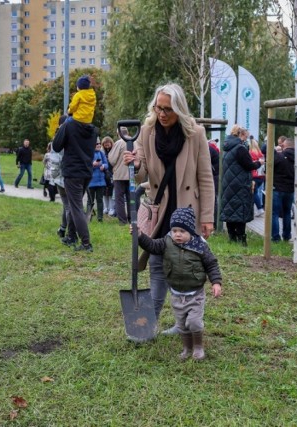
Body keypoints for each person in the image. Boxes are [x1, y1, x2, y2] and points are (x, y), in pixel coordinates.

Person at [123, 83, 215, 334]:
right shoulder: (147, 131)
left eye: (168, 110)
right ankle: (148, 322)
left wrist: (207, 217)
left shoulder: (194, 133)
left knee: (185, 270)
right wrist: (134, 162)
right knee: (156, 264)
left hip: (186, 211)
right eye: (158, 108)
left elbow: (206, 177)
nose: (162, 114)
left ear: (179, 109)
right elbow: (140, 171)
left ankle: (183, 322)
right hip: (160, 209)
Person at [137, 207, 222, 360]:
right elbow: (152, 246)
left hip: (195, 294)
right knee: (182, 324)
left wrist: (216, 282)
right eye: (174, 230)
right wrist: (140, 236)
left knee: (194, 323)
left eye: (182, 231)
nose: (177, 234)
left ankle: (198, 347)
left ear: (190, 231)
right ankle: (186, 348)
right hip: (176, 294)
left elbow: (211, 264)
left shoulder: (199, 246)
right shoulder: (167, 242)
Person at [52, 108, 98, 252]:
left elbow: (56, 145)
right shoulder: (94, 129)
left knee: (76, 207)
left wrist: (62, 127)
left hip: (72, 171)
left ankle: (86, 243)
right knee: (74, 205)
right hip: (86, 171)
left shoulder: (68, 125)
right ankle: (71, 236)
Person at [219, 125, 260, 245]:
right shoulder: (240, 148)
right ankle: (241, 239)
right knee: (240, 211)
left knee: (230, 211)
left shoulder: (226, 147)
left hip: (228, 184)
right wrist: (259, 163)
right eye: (245, 137)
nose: (246, 139)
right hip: (240, 184)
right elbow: (249, 165)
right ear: (241, 135)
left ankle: (232, 238)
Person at [271, 137, 295, 242]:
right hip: (290, 189)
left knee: (275, 213)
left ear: (285, 146)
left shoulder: (279, 156)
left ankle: (276, 237)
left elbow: (270, 168)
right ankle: (287, 235)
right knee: (287, 212)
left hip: (278, 188)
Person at [109, 127, 131, 225]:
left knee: (119, 198)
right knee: (132, 198)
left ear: (119, 134)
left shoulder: (119, 143)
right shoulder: (135, 141)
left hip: (120, 175)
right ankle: (132, 218)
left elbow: (112, 159)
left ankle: (122, 220)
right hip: (132, 174)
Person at [87, 139, 109, 222]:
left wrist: (103, 166)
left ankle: (100, 218)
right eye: (97, 144)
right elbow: (85, 165)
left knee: (100, 200)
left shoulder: (101, 153)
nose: (99, 145)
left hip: (101, 182)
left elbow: (106, 164)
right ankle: (88, 217)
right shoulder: (88, 153)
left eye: (100, 144)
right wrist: (92, 164)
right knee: (90, 201)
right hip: (90, 182)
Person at [248, 135, 265, 217]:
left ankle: (259, 208)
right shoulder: (260, 154)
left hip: (254, 175)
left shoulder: (250, 153)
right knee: (255, 192)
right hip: (261, 176)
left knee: (253, 193)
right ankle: (258, 208)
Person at [101, 136, 115, 216]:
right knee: (104, 192)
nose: (106, 146)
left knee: (111, 192)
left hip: (112, 174)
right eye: (105, 144)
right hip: (104, 174)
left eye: (108, 144)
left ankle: (111, 208)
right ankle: (105, 208)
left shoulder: (113, 151)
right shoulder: (102, 152)